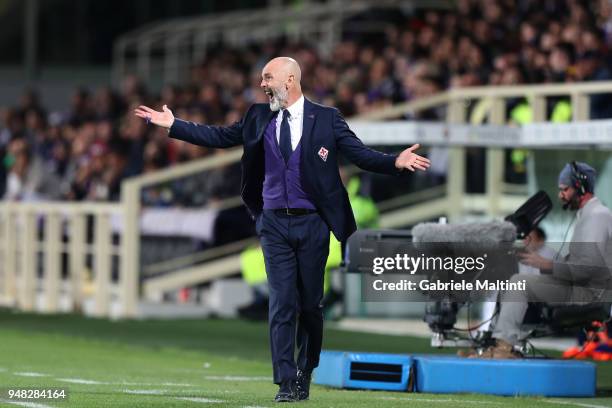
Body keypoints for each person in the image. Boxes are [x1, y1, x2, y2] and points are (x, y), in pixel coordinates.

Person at [134, 56, 430, 402]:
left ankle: (306, 368)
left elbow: (358, 154)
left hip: (313, 223)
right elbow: (219, 136)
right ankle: (286, 380)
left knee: (309, 306)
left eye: (267, 77)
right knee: (281, 302)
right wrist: (175, 124)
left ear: (289, 80)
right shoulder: (257, 116)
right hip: (273, 222)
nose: (262, 84)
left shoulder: (327, 118)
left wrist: (395, 161)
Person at [478, 161, 612, 359]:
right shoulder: (589, 214)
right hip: (583, 289)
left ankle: (503, 348)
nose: (561, 195)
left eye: (565, 189)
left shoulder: (596, 216)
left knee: (520, 284)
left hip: (589, 294)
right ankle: (502, 344)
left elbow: (587, 269)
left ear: (581, 188)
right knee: (518, 281)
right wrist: (539, 257)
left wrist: (546, 264)